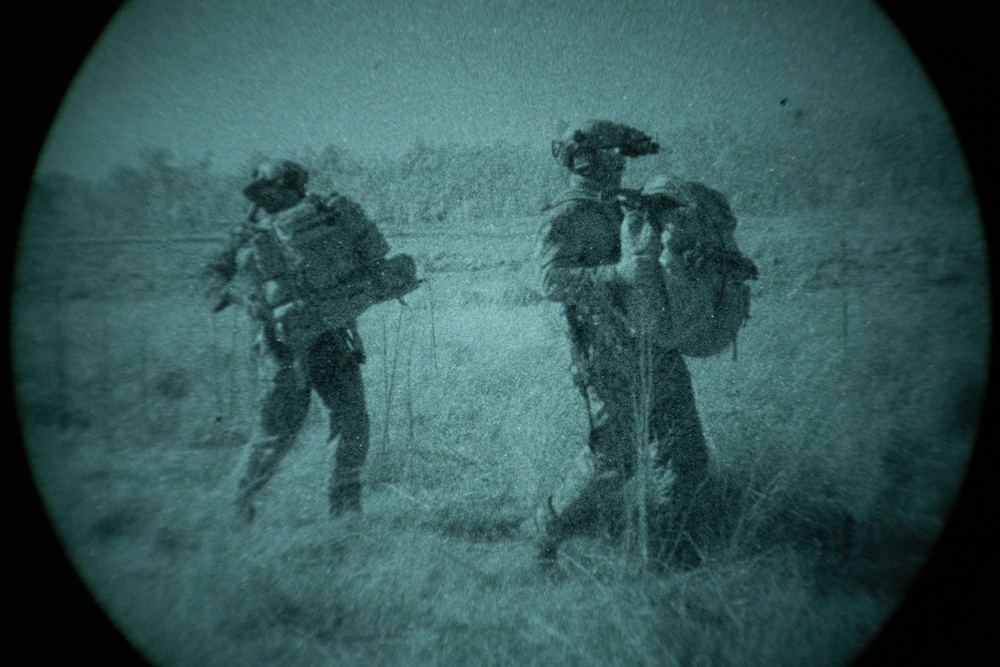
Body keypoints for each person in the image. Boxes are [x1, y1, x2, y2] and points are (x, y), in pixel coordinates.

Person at [533, 121, 714, 569]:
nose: (621, 163)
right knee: (613, 462)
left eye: (624, 156)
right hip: (605, 353)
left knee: (686, 452)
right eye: (613, 154)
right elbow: (547, 280)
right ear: (586, 159)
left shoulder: (623, 205)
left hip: (655, 344)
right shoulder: (567, 214)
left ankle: (671, 557)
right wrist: (615, 276)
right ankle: (543, 531)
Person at [205, 159, 417, 523]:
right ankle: (238, 507)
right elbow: (211, 282)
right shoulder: (249, 233)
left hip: (332, 336)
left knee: (352, 423)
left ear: (292, 187)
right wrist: (245, 293)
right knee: (277, 432)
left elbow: (372, 265)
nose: (267, 197)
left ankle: (345, 511)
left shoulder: (330, 217)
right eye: (263, 192)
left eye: (275, 189)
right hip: (281, 343)